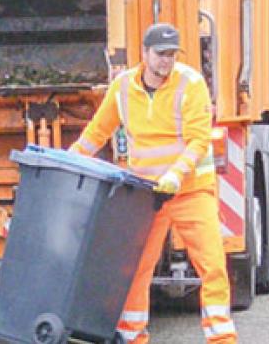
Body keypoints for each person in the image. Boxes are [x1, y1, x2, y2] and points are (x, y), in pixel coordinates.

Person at [68, 23, 237, 344]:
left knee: (212, 266)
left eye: (172, 54)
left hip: (190, 190)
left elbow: (198, 141)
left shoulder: (191, 84)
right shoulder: (122, 88)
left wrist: (175, 175)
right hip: (146, 194)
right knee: (135, 270)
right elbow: (96, 133)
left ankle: (222, 339)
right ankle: (132, 337)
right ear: (144, 53)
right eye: (160, 54)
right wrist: (70, 160)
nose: (166, 61)